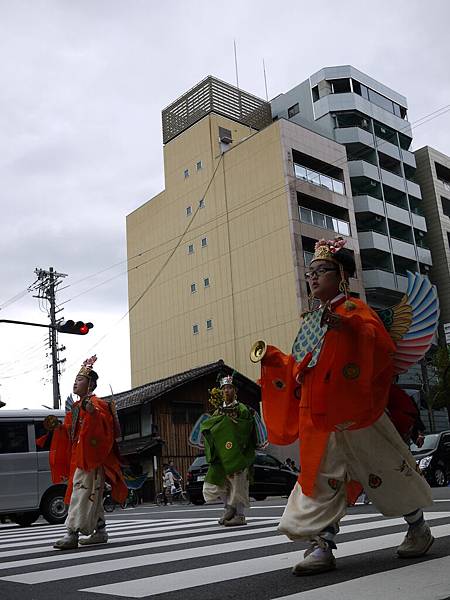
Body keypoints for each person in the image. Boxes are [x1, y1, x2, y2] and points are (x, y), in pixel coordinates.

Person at [259, 238, 434, 575]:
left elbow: (378, 342)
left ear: (341, 276)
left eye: (321, 271)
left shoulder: (354, 310)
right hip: (321, 418)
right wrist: (274, 360)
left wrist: (349, 327)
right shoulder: (312, 320)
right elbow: (301, 368)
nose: (312, 278)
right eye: (309, 273)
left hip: (356, 413)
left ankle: (418, 527)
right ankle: (321, 546)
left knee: (386, 468)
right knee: (319, 479)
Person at [48, 356, 127, 550]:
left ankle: (72, 533)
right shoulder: (77, 407)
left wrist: (92, 413)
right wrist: (58, 427)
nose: (75, 382)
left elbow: (104, 426)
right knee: (92, 496)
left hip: (91, 459)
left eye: (80, 379)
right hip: (80, 457)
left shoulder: (96, 403)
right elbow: (71, 432)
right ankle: (100, 531)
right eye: (75, 379)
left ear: (90, 384)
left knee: (81, 494)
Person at [200, 374, 259, 527]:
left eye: (229, 388)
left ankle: (239, 515)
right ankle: (228, 509)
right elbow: (211, 428)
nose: (227, 390)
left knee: (238, 483)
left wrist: (234, 425)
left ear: (235, 390)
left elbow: (247, 428)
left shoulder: (242, 409)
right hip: (222, 455)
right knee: (218, 483)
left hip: (239, 453)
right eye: (224, 388)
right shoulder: (218, 412)